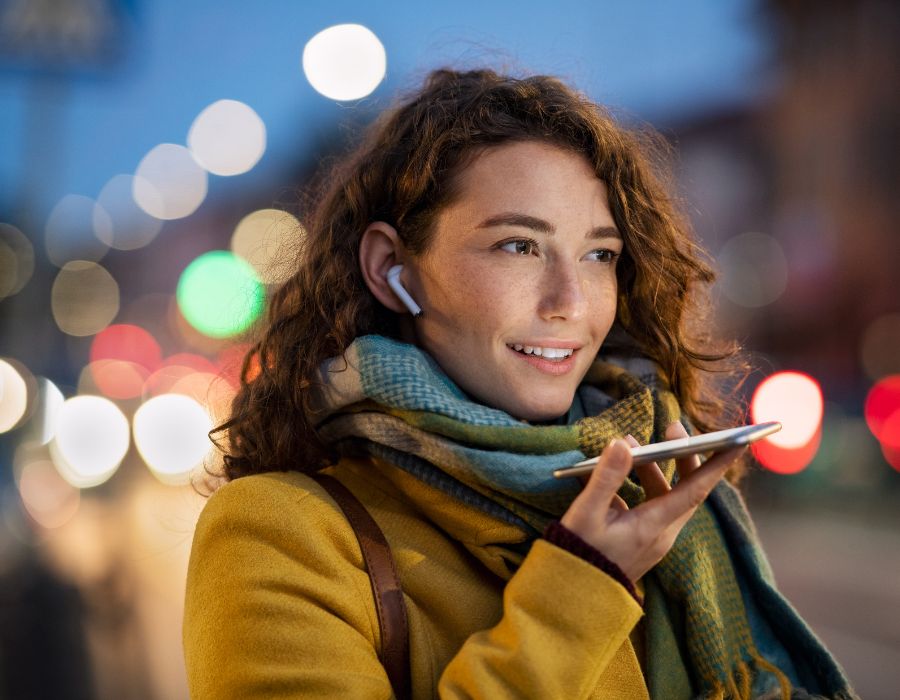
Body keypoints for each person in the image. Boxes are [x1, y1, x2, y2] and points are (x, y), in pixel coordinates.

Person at [182, 68, 856, 699]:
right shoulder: (280, 532)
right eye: (518, 245)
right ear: (393, 268)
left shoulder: (642, 498)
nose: (570, 300)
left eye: (599, 255)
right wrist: (582, 586)